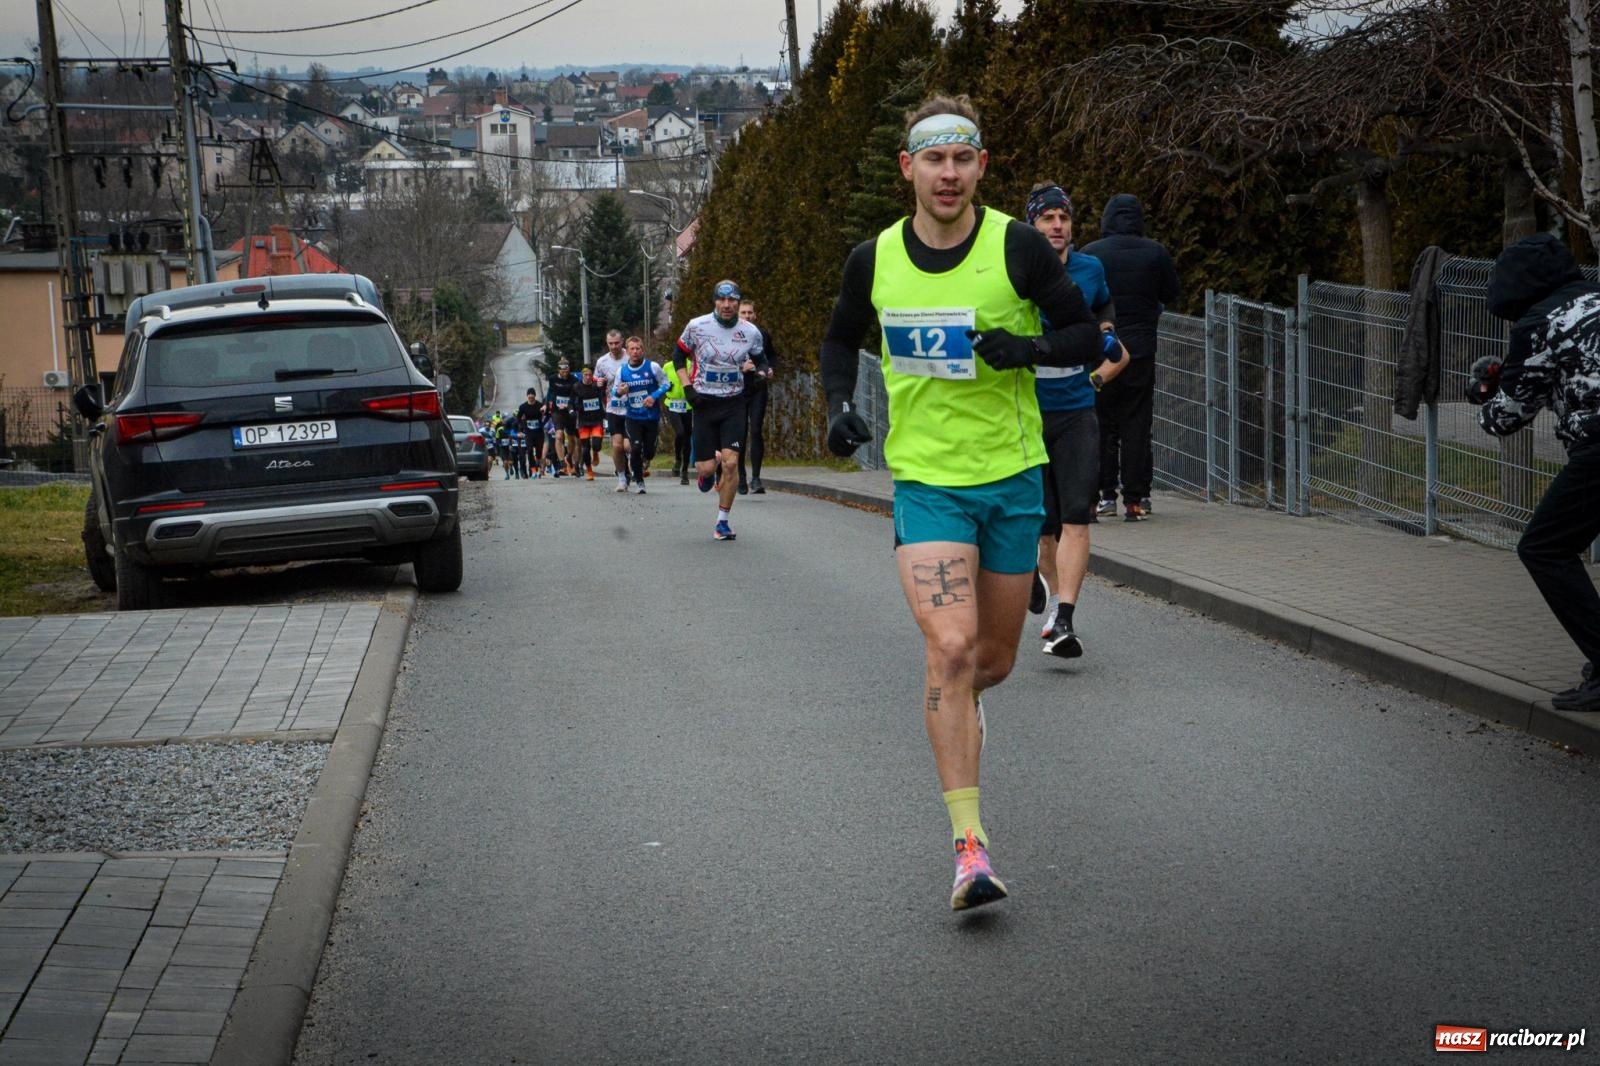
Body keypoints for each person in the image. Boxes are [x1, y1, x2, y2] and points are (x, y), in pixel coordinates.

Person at [819, 95, 1102, 910]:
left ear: (980, 165)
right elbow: (840, 337)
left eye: (963, 159)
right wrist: (841, 404)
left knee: (991, 663)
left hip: (1012, 479)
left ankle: (965, 710)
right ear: (908, 167)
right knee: (949, 647)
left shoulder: (1017, 248)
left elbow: (1087, 336)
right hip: (927, 483)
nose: (949, 174)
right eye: (933, 159)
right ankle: (969, 849)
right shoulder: (872, 258)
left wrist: (1029, 350)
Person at [1469, 232, 1600, 711]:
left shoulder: (1539, 323)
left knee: (1544, 548)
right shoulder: (1594, 300)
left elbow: (1508, 416)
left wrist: (1484, 393)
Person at [1025, 182, 1129, 657]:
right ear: (1033, 224)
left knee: (1076, 516)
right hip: (1026, 407)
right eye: (1047, 219)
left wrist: (1103, 335)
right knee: (1041, 526)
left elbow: (1104, 306)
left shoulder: (1090, 268)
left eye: (1063, 218)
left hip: (1076, 411)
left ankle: (1064, 618)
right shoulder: (1018, 270)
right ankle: (1042, 589)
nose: (1057, 226)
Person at [1081, 193, 1179, 522]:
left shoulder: (1091, 254)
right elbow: (1171, 293)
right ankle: (1137, 497)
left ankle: (1104, 495)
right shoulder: (1155, 253)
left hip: (1103, 351)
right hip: (1140, 351)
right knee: (1137, 423)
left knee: (1102, 424)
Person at [675, 279, 767, 540]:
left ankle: (722, 521)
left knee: (732, 463)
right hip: (704, 402)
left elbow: (762, 359)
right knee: (705, 469)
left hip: (734, 403)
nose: (727, 306)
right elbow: (677, 356)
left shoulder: (750, 332)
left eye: (732, 301)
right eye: (722, 300)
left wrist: (760, 373)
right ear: (715, 301)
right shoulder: (697, 326)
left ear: (738, 303)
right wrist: (688, 388)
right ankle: (708, 467)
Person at [615, 336, 670, 494]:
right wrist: (620, 391)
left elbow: (666, 384)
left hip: (651, 417)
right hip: (633, 417)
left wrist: (654, 396)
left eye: (638, 348)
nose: (635, 351)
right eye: (631, 349)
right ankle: (639, 481)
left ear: (643, 350)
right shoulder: (622, 370)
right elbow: (614, 391)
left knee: (649, 452)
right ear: (628, 351)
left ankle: (648, 456)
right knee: (636, 447)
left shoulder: (653, 367)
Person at [736, 298, 778, 494]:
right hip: (737, 389)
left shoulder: (762, 334)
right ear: (738, 315)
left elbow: (772, 357)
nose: (747, 316)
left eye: (750, 313)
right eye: (743, 313)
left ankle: (756, 478)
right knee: (740, 432)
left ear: (755, 314)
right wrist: (739, 368)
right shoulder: (731, 335)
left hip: (758, 388)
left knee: (756, 430)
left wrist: (769, 369)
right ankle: (741, 477)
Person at [594, 330, 633, 490]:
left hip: (632, 408)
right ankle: (622, 478)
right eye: (610, 343)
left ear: (622, 341)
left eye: (616, 343)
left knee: (628, 446)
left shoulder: (631, 357)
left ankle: (633, 466)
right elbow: (597, 380)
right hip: (613, 408)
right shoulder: (602, 362)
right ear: (607, 343)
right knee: (617, 446)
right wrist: (599, 383)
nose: (614, 346)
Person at [662, 356, 694, 485]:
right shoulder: (668, 366)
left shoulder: (692, 365)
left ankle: (684, 471)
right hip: (672, 404)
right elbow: (660, 382)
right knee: (680, 432)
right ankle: (677, 458)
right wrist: (666, 386)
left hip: (687, 404)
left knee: (687, 437)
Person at [546, 359, 580, 477]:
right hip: (557, 411)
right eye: (562, 369)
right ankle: (562, 464)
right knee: (559, 435)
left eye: (566, 369)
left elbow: (576, 396)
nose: (564, 371)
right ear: (558, 369)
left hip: (569, 411)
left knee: (572, 439)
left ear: (569, 369)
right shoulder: (553, 379)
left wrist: (570, 405)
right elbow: (550, 393)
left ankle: (569, 457)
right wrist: (546, 405)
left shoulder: (574, 380)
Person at [573, 365, 607, 481]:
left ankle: (596, 452)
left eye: (590, 375)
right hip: (583, 421)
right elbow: (571, 401)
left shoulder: (596, 386)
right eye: (585, 375)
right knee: (585, 449)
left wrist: (602, 385)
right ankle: (589, 471)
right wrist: (572, 410)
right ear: (582, 375)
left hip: (597, 419)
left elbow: (604, 394)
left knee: (596, 445)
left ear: (593, 376)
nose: (588, 377)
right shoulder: (576, 387)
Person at [516, 388, 544, 480]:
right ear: (527, 396)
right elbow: (518, 418)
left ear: (535, 396)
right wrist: (521, 427)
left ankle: (539, 465)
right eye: (529, 394)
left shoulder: (540, 405)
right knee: (530, 450)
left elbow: (546, 415)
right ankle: (533, 471)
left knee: (539, 450)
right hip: (528, 431)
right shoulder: (523, 407)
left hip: (538, 431)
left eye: (532, 394)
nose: (531, 396)